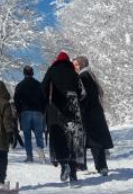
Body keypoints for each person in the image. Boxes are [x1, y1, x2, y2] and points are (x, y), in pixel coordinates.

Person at [40, 51, 86, 183]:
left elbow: (43, 87)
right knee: (73, 137)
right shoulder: (74, 73)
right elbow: (83, 93)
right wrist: (77, 101)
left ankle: (63, 164)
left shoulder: (52, 70)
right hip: (73, 104)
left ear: (57, 60)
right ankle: (73, 173)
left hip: (55, 105)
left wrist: (47, 102)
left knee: (57, 135)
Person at [74, 56, 114, 176]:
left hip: (87, 112)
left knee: (85, 139)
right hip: (96, 112)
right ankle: (102, 167)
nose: (74, 67)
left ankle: (83, 167)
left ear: (81, 64)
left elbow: (83, 96)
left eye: (76, 64)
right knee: (96, 140)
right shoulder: (90, 75)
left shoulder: (82, 77)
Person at [13, 65, 46, 162]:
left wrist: (19, 112)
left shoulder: (20, 85)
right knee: (39, 136)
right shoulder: (39, 85)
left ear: (24, 73)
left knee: (27, 136)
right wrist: (43, 111)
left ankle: (29, 156)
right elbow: (44, 99)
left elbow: (16, 100)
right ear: (32, 73)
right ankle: (41, 157)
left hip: (25, 112)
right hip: (38, 112)